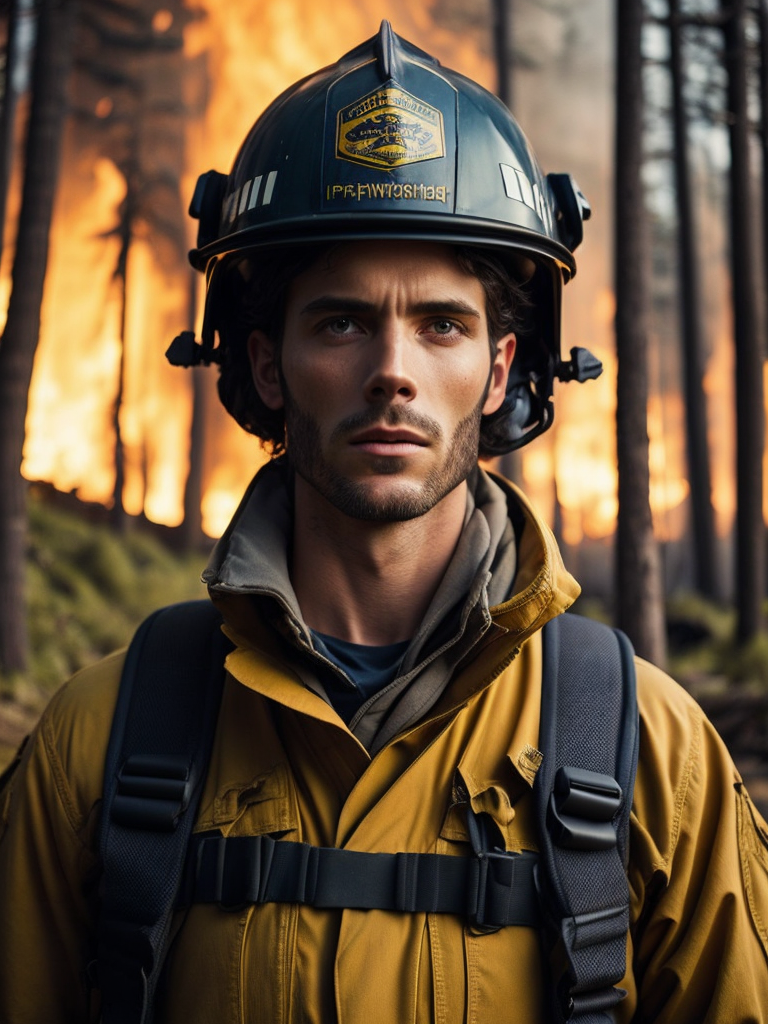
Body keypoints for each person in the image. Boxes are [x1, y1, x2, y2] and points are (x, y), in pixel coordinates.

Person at [1, 21, 767, 1024]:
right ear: (268, 365)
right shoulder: (98, 742)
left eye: (442, 323)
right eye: (343, 321)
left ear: (499, 372)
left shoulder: (651, 752)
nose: (393, 368)